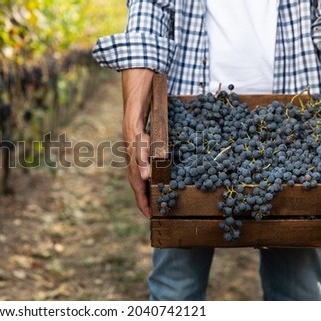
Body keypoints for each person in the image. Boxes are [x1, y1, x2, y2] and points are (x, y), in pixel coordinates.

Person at [92, 0, 321, 300]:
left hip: (294, 125)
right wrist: (133, 124)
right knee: (176, 291)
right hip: (192, 120)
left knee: (298, 293)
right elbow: (149, 13)